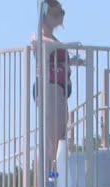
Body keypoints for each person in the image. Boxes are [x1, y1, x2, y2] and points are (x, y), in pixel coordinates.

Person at [30, 0, 85, 175]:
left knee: (59, 136)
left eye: (61, 13)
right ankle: (47, 180)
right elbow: (45, 48)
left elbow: (61, 58)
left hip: (59, 89)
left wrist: (78, 61)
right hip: (49, 87)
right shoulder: (39, 38)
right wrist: (69, 46)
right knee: (52, 138)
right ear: (45, 16)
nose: (60, 17)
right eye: (56, 14)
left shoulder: (53, 39)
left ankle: (54, 176)